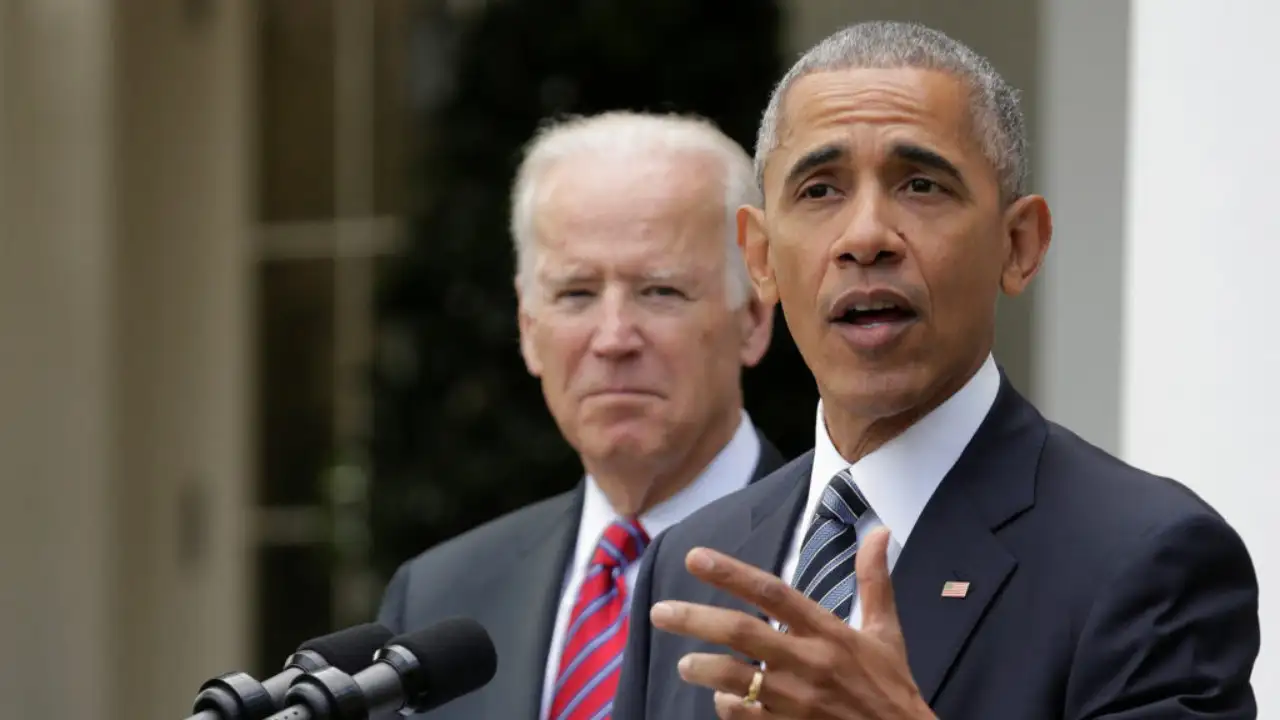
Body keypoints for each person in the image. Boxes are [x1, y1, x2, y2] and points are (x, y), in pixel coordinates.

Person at [613, 21, 1259, 720]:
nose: (864, 238)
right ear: (761, 258)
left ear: (1020, 245)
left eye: (920, 185)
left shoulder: (1147, 558)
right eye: (820, 190)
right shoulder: (689, 562)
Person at [377, 111, 786, 720]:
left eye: (660, 290)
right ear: (528, 327)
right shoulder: (440, 598)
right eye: (576, 294)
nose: (614, 337)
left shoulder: (832, 566)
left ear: (753, 318)